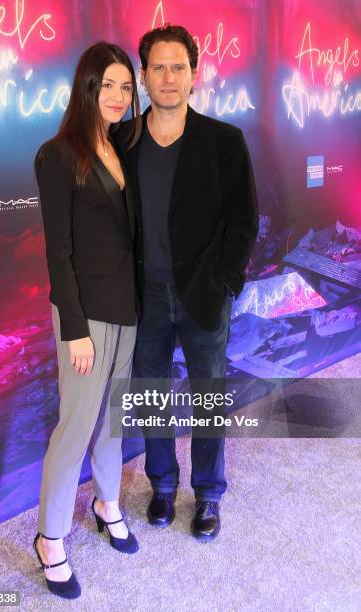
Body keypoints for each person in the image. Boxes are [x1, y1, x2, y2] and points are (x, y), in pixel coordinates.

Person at [119, 25, 258, 542]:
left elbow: (244, 218)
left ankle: (208, 494)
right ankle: (161, 485)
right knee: (151, 395)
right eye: (159, 67)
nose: (169, 76)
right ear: (144, 75)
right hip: (145, 296)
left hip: (203, 293)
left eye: (179, 67)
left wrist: (225, 279)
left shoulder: (224, 141)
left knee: (207, 397)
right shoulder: (123, 139)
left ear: (194, 76)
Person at [33, 42, 141, 599]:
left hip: (129, 309)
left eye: (127, 86)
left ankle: (106, 502)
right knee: (76, 425)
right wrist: (73, 327)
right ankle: (51, 538)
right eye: (109, 85)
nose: (119, 96)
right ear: (87, 87)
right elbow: (59, 251)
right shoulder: (57, 154)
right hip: (85, 315)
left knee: (116, 420)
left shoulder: (126, 145)